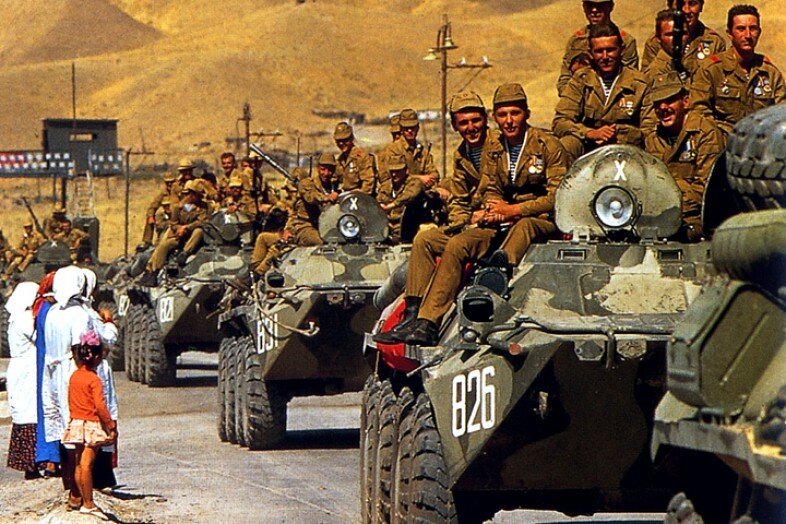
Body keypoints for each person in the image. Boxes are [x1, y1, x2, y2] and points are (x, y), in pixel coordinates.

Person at [405, 83, 568, 346]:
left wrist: (513, 210)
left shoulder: (547, 145)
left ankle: (498, 272)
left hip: (539, 219)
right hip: (501, 220)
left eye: (515, 113)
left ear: (526, 113)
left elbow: (557, 197)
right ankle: (426, 321)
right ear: (495, 117)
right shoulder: (495, 149)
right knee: (457, 244)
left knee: (525, 225)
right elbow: (490, 186)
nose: (509, 121)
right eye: (502, 115)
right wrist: (494, 208)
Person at [374, 91, 493, 344]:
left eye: (475, 120)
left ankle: (429, 322)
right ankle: (412, 315)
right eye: (464, 123)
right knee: (425, 240)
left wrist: (476, 215)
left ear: (485, 119)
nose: (471, 128)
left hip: (496, 221)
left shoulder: (497, 147)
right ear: (455, 126)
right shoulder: (462, 154)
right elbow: (459, 197)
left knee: (455, 245)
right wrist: (460, 221)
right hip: (472, 220)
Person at [42, 266, 117, 505]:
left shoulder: (53, 312)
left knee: (64, 430)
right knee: (81, 433)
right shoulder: (80, 315)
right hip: (71, 371)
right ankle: (81, 493)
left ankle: (72, 489)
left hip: (52, 372)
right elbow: (81, 348)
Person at [553, 22, 651, 161]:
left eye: (610, 50)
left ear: (621, 50)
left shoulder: (639, 84)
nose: (605, 57)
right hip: (589, 150)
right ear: (590, 53)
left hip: (628, 151)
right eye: (599, 51)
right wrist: (590, 133)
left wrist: (618, 133)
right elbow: (560, 121)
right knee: (567, 144)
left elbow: (649, 130)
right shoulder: (580, 80)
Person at [646, 73, 725, 241]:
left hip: (695, 217)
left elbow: (705, 188)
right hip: (660, 216)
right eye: (657, 104)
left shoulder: (706, 133)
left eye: (670, 100)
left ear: (686, 101)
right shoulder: (654, 138)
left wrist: (669, 205)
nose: (663, 107)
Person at [690, 4, 785, 137]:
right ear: (729, 34)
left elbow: (781, 114)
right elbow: (700, 112)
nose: (748, 35)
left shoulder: (770, 73)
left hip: (758, 142)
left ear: (759, 32)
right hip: (722, 141)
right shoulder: (712, 70)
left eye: (753, 29)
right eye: (741, 29)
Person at [61, 329, 117, 516]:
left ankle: (78, 498)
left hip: (77, 423)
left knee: (78, 464)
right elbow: (100, 406)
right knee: (87, 465)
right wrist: (111, 425)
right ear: (98, 356)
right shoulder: (94, 380)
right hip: (91, 424)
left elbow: (70, 400)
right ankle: (88, 503)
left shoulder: (74, 376)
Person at [557, 0, 639, 95]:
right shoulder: (576, 41)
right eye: (589, 5)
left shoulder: (626, 41)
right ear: (584, 7)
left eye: (600, 5)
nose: (594, 10)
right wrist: (572, 98)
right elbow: (565, 79)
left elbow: (631, 80)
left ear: (610, 6)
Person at [5, 282, 41, 479]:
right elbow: (38, 337)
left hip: (22, 369)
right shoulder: (25, 318)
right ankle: (31, 464)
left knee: (25, 413)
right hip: (27, 370)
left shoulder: (15, 318)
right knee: (30, 414)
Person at [142, 179, 210, 280]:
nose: (197, 197)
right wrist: (179, 229)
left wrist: (186, 227)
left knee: (198, 231)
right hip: (178, 235)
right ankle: (154, 272)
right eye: (195, 194)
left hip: (193, 238)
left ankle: (184, 253)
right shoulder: (178, 207)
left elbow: (202, 221)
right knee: (163, 246)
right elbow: (173, 223)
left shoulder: (203, 207)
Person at [641, 0, 727, 73]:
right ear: (670, 7)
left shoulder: (714, 42)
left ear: (701, 6)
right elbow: (647, 79)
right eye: (680, 4)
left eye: (692, 3)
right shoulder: (656, 42)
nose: (686, 10)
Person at [33, 272, 60, 476]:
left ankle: (49, 457)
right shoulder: (52, 310)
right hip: (54, 365)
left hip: (44, 364)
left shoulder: (41, 308)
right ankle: (54, 458)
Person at [377, 108, 439, 197]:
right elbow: (390, 178)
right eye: (406, 128)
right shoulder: (393, 149)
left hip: (421, 194)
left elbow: (434, 173)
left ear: (417, 128)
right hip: (398, 195)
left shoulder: (422, 151)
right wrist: (420, 178)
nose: (410, 131)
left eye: (412, 128)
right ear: (401, 129)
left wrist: (429, 179)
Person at [377, 155, 425, 243]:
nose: (394, 174)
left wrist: (392, 205)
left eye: (398, 171)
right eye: (392, 171)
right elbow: (378, 202)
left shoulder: (414, 183)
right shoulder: (385, 186)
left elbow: (410, 195)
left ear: (406, 170)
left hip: (408, 227)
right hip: (387, 228)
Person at [334, 122, 376, 194]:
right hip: (346, 196)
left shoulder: (361, 157)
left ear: (351, 139)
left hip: (361, 196)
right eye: (338, 141)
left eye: (344, 140)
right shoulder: (340, 160)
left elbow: (368, 181)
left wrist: (359, 194)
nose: (341, 143)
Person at [140, 172, 179, 249]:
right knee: (151, 217)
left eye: (171, 182)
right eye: (167, 182)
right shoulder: (163, 193)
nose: (169, 184)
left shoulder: (178, 192)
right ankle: (147, 241)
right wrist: (151, 216)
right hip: (166, 217)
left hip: (176, 217)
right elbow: (153, 206)